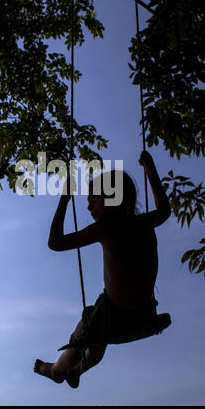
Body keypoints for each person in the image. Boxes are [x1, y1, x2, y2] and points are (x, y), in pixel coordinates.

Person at [34, 150, 171, 388]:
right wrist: (150, 170)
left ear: (111, 198)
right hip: (144, 313)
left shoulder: (106, 227)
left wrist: (64, 199)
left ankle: (56, 370)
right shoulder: (145, 221)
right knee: (98, 342)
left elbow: (55, 243)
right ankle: (79, 370)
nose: (88, 207)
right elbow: (165, 210)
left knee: (84, 334)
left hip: (114, 311)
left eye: (92, 200)